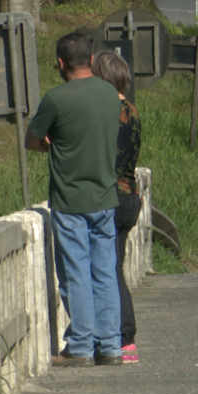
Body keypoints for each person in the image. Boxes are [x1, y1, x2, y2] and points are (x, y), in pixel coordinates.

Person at [25, 32, 123, 367]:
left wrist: (53, 142)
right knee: (105, 272)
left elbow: (33, 141)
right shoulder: (110, 93)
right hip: (106, 197)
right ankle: (110, 346)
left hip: (69, 201)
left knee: (76, 273)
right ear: (93, 60)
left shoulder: (55, 98)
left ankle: (80, 346)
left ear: (60, 62)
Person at [92, 51, 142, 364]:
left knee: (109, 270)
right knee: (115, 267)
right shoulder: (132, 110)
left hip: (109, 197)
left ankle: (123, 336)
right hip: (129, 195)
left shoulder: (106, 109)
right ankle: (122, 337)